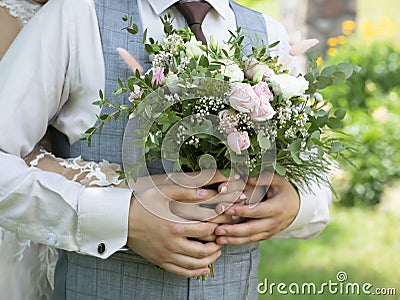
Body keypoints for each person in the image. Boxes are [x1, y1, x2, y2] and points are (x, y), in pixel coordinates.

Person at [0, 0, 331, 299]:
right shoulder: (75, 17)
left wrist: (298, 204)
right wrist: (121, 218)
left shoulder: (268, 32)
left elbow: (319, 174)